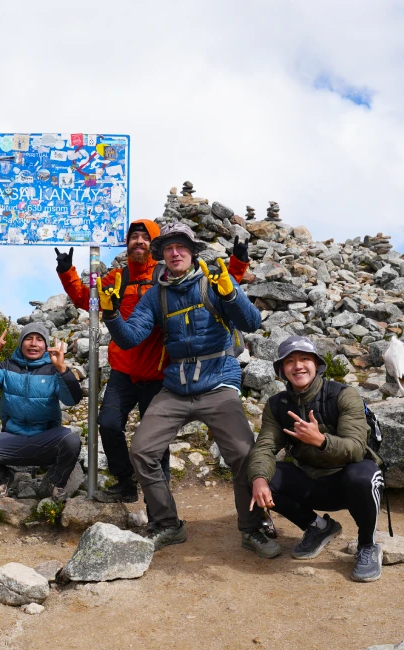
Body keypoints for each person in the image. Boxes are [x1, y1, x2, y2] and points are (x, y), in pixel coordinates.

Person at [100, 222, 279, 557]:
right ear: (162, 256)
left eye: (181, 246)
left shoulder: (214, 283)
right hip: (176, 387)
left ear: (193, 251)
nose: (175, 253)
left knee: (243, 455)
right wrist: (111, 315)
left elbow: (252, 322)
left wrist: (231, 294)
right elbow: (130, 339)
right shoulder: (156, 295)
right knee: (142, 450)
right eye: (168, 248)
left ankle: (253, 527)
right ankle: (167, 523)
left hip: (218, 381)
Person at [56, 223, 250, 504]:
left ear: (154, 244)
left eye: (145, 238)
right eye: (133, 237)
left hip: (159, 373)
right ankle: (125, 482)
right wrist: (67, 273)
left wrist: (238, 263)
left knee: (156, 443)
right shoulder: (118, 277)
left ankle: (158, 499)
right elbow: (88, 300)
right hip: (123, 370)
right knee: (108, 424)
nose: (139, 242)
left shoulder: (167, 274)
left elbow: (217, 287)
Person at [248, 336, 385, 582]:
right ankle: (319, 527)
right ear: (282, 369)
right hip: (311, 481)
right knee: (262, 475)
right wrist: (258, 478)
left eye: (305, 359)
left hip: (349, 483)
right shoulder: (277, 405)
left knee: (363, 474)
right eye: (290, 361)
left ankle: (367, 545)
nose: (298, 366)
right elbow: (265, 447)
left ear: (317, 365)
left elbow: (356, 448)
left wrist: (321, 441)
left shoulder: (344, 395)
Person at [0, 322, 83, 502]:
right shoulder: (7, 367)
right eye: (28, 338)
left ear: (46, 345)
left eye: (39, 339)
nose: (33, 343)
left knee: (71, 440)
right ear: (21, 342)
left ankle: (55, 483)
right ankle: (2, 480)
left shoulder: (54, 370)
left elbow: (72, 400)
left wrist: (62, 369)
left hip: (46, 440)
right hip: (12, 439)